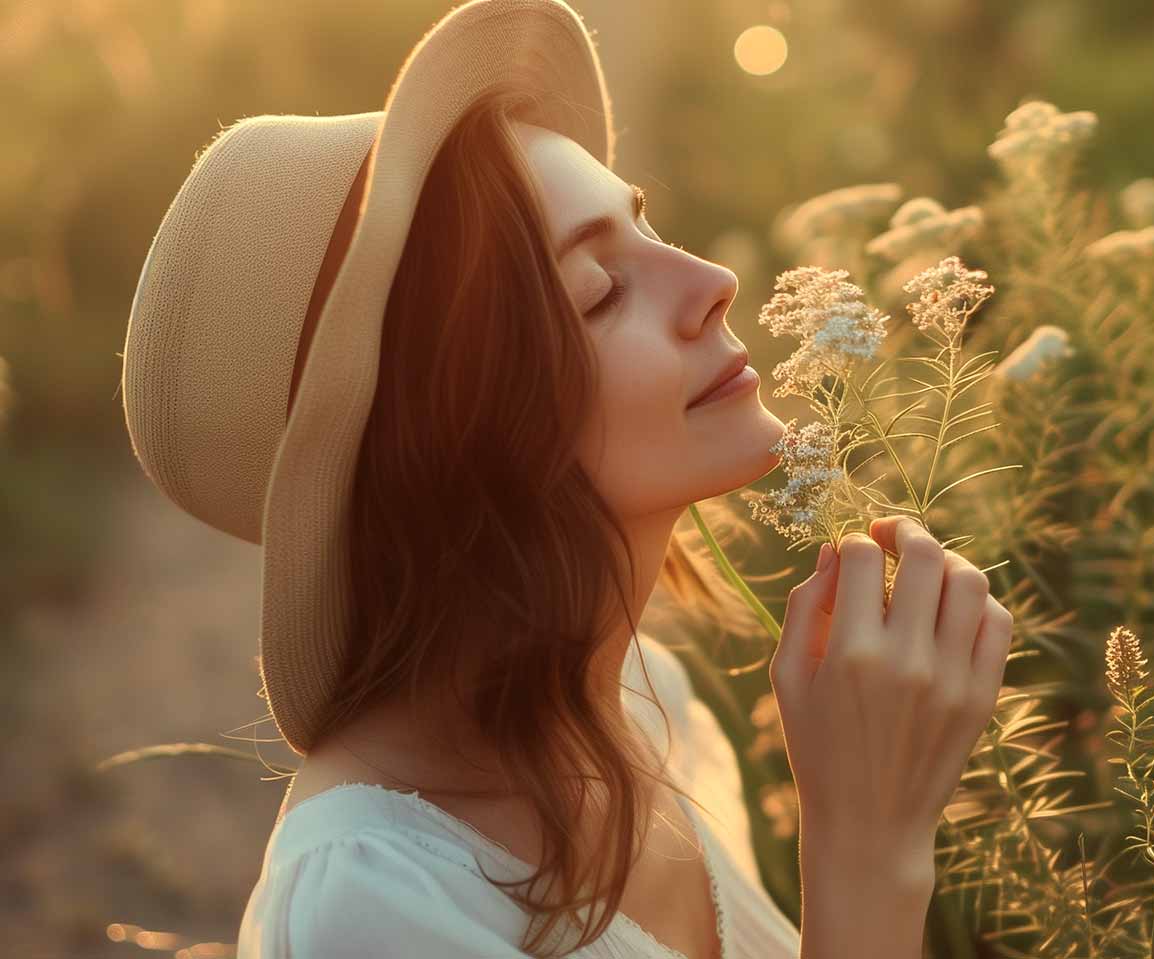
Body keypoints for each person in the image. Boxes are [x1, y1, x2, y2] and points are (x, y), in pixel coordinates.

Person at [120, 1, 1013, 957]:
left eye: (644, 223)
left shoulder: (642, 701)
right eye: (600, 290)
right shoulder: (368, 910)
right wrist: (870, 850)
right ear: (458, 435)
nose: (713, 278)